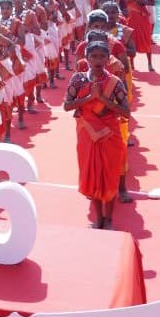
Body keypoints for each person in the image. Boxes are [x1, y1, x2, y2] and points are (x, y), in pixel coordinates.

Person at [64, 41, 130, 230]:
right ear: (87, 59)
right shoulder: (78, 79)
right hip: (87, 134)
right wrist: (88, 98)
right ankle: (98, 219)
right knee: (91, 174)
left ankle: (109, 220)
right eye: (94, 56)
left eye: (102, 56)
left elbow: (126, 112)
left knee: (109, 175)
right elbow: (67, 105)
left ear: (108, 59)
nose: (98, 60)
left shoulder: (115, 82)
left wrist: (102, 99)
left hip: (110, 134)